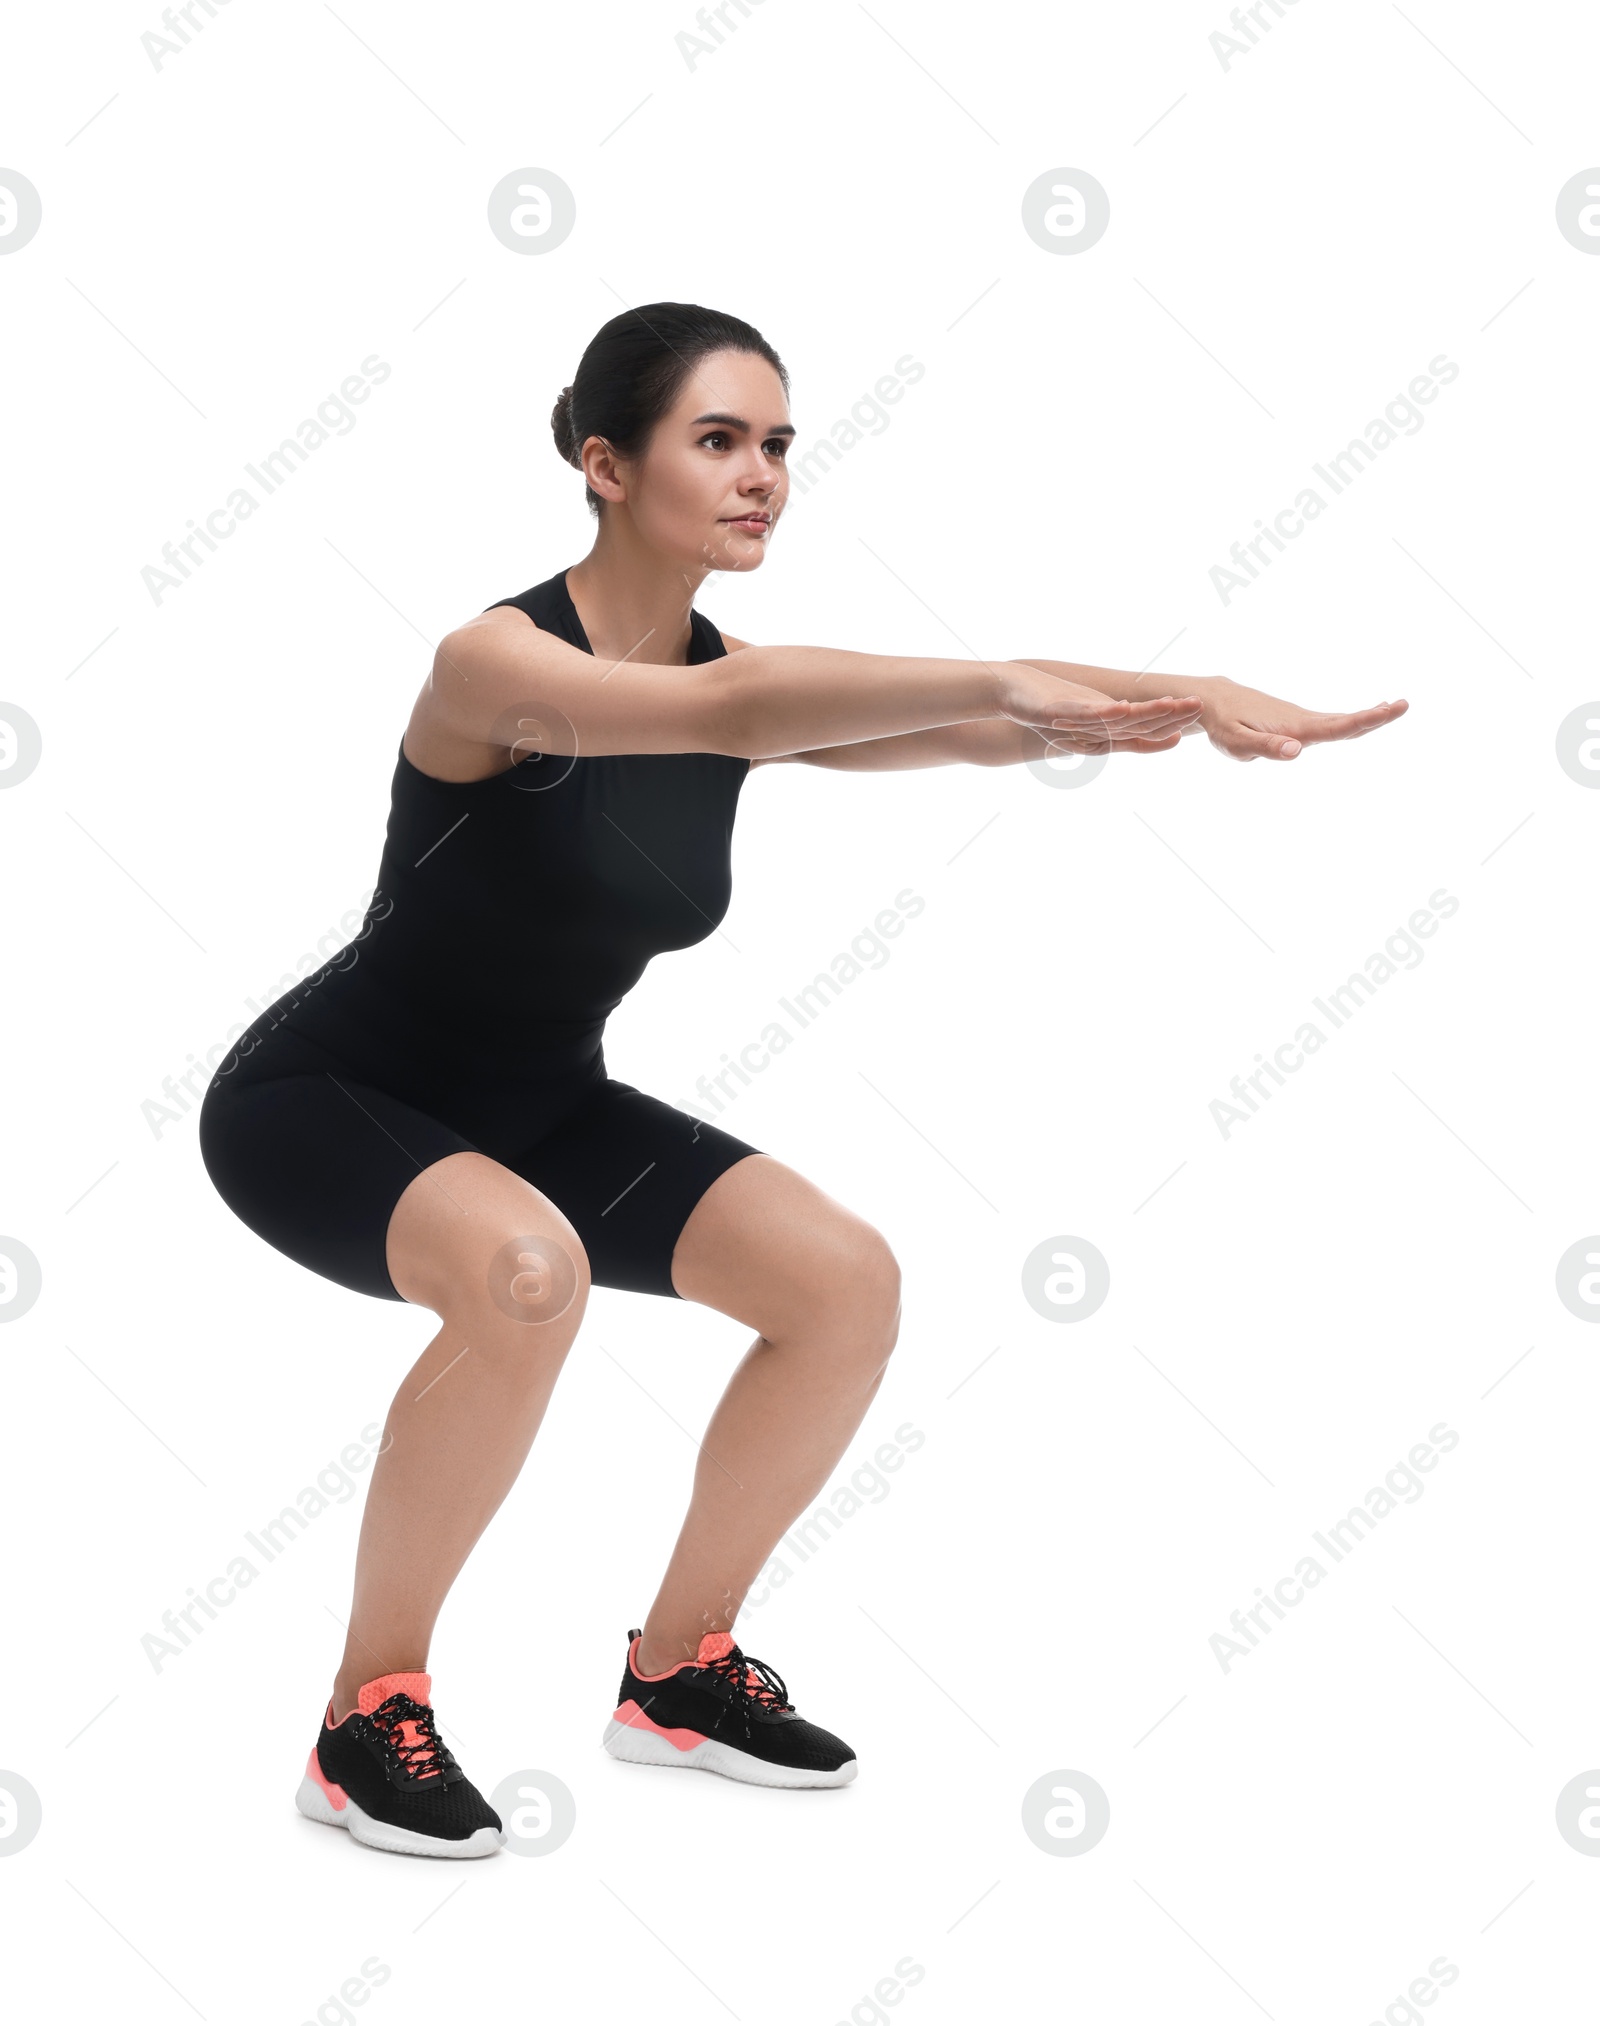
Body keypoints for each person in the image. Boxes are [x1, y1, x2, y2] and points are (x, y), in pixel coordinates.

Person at [197, 301, 1407, 1859]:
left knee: (842, 1279)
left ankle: (680, 1671)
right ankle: (368, 1713)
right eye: (719, 439)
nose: (763, 470)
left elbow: (953, 718)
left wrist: (1174, 693)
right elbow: (743, 712)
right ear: (604, 462)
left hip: (540, 1106)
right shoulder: (494, 663)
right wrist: (1024, 688)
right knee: (524, 1272)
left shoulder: (730, 677)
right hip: (327, 1098)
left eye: (778, 443)